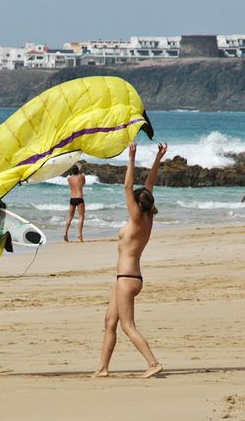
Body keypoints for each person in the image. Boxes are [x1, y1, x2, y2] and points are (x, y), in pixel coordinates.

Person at [93, 141, 167, 379]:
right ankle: (102, 368)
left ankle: (153, 363)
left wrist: (131, 157)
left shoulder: (136, 218)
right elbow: (149, 184)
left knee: (128, 326)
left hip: (126, 279)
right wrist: (158, 157)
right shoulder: (147, 219)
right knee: (110, 321)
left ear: (137, 204)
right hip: (127, 278)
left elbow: (128, 185)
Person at [64, 162, 86, 242]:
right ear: (78, 171)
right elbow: (83, 183)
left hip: (72, 198)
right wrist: (79, 168)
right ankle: (80, 236)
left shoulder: (69, 178)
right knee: (81, 217)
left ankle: (65, 232)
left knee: (70, 217)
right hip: (79, 198)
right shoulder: (82, 177)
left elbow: (74, 175)